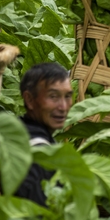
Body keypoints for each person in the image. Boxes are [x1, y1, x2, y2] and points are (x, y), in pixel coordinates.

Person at [14, 63, 73, 206]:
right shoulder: (39, 157)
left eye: (68, 96)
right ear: (29, 99)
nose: (63, 107)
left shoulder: (19, 130)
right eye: (53, 96)